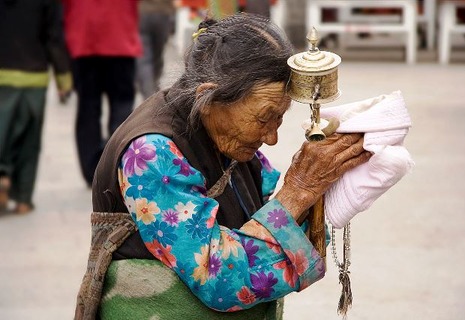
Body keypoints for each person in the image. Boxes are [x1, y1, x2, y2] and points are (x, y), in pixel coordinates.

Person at [75, 14, 371, 320]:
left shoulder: (228, 137)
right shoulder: (152, 153)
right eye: (263, 118)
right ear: (208, 96)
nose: (271, 137)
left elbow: (269, 209)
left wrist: (322, 190)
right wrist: (299, 191)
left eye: (279, 118)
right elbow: (220, 279)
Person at [0, 0, 72, 214]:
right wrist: (63, 78)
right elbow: (53, 37)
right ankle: (23, 200)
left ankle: (2, 175)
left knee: (2, 132)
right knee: (29, 141)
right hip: (34, 76)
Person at [62, 0, 142, 186]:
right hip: (120, 37)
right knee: (122, 104)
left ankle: (92, 170)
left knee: (88, 107)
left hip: (83, 38)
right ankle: (118, 163)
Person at [136, 0, 176, 99]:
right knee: (157, 56)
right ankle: (152, 90)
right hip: (162, 13)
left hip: (142, 13)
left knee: (144, 59)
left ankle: (148, 93)